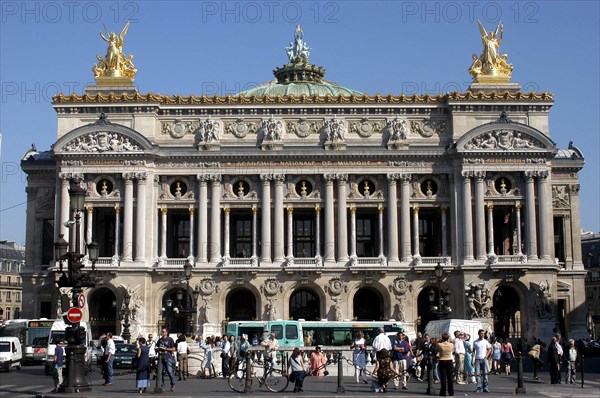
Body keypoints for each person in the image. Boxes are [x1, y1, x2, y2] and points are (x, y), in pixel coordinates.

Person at [472, 329, 492, 393]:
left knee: (485, 374)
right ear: (479, 334)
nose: (483, 334)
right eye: (481, 333)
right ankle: (479, 387)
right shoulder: (475, 342)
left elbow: (489, 349)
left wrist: (486, 356)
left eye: (483, 333)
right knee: (477, 374)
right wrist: (473, 359)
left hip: (484, 359)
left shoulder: (486, 341)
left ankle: (485, 387)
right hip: (477, 359)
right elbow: (473, 351)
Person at [437, 333, 454, 397]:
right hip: (449, 360)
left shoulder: (439, 344)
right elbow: (452, 350)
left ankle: (443, 392)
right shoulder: (451, 345)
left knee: (443, 377)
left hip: (442, 360)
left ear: (442, 338)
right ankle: (451, 392)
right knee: (450, 377)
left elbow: (437, 349)